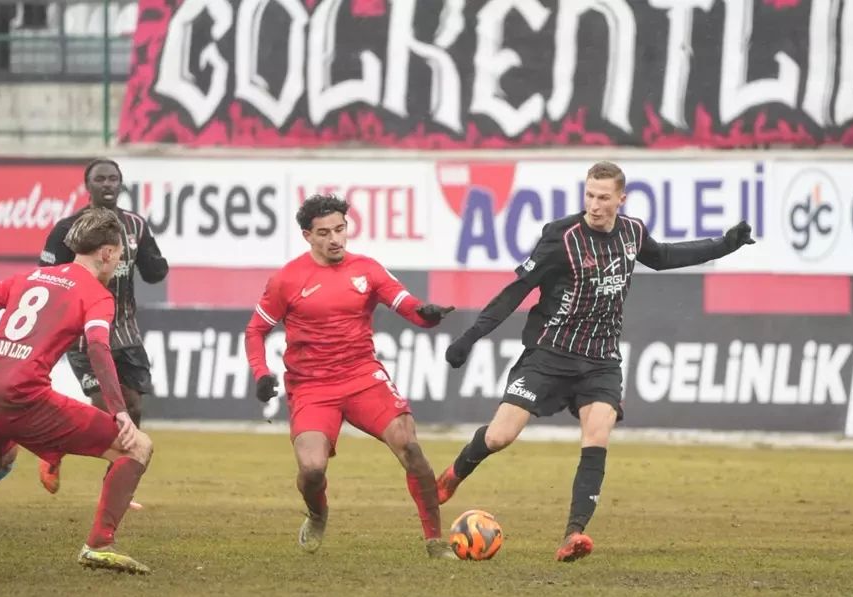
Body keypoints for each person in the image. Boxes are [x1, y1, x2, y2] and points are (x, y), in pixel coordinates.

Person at [435, 161, 755, 562]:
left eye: (604, 197)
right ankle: (454, 473)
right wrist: (470, 337)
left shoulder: (632, 232)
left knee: (598, 434)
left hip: (601, 360)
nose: (595, 205)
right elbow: (517, 290)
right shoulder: (561, 237)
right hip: (549, 354)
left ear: (621, 199)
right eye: (589, 195)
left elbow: (665, 256)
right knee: (500, 436)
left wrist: (725, 244)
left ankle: (574, 534)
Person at [244, 194, 458, 559]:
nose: (335, 239)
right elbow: (255, 331)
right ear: (307, 236)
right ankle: (317, 513)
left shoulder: (367, 269)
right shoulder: (286, 280)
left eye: (340, 229)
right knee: (312, 470)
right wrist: (261, 373)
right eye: (324, 233)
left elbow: (407, 305)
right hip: (311, 386)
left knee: (410, 447)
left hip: (362, 376)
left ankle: (435, 542)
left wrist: (427, 314)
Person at [0, 208, 154, 574]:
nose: (118, 263)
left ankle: (47, 456)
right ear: (106, 253)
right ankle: (99, 545)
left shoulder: (30, 276)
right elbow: (98, 347)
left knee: (2, 459)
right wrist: (119, 411)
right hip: (22, 396)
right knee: (137, 446)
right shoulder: (96, 294)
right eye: (119, 255)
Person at [37, 158, 168, 503]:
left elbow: (154, 270)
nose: (108, 184)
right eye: (100, 179)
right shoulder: (69, 228)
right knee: (103, 411)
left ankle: (115, 484)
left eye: (113, 178)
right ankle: (54, 448)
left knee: (133, 408)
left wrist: (157, 265)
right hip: (82, 333)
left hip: (125, 330)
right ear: (88, 186)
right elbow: (46, 275)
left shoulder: (135, 226)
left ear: (121, 184)